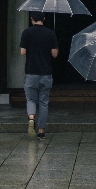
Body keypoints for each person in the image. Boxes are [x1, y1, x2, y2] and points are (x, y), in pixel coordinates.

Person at [20, 11, 58, 139]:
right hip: (45, 73)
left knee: (31, 99)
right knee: (43, 102)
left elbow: (22, 52)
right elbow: (54, 54)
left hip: (31, 72)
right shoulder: (50, 33)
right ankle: (41, 131)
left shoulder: (27, 32)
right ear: (44, 18)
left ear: (31, 19)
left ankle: (31, 118)